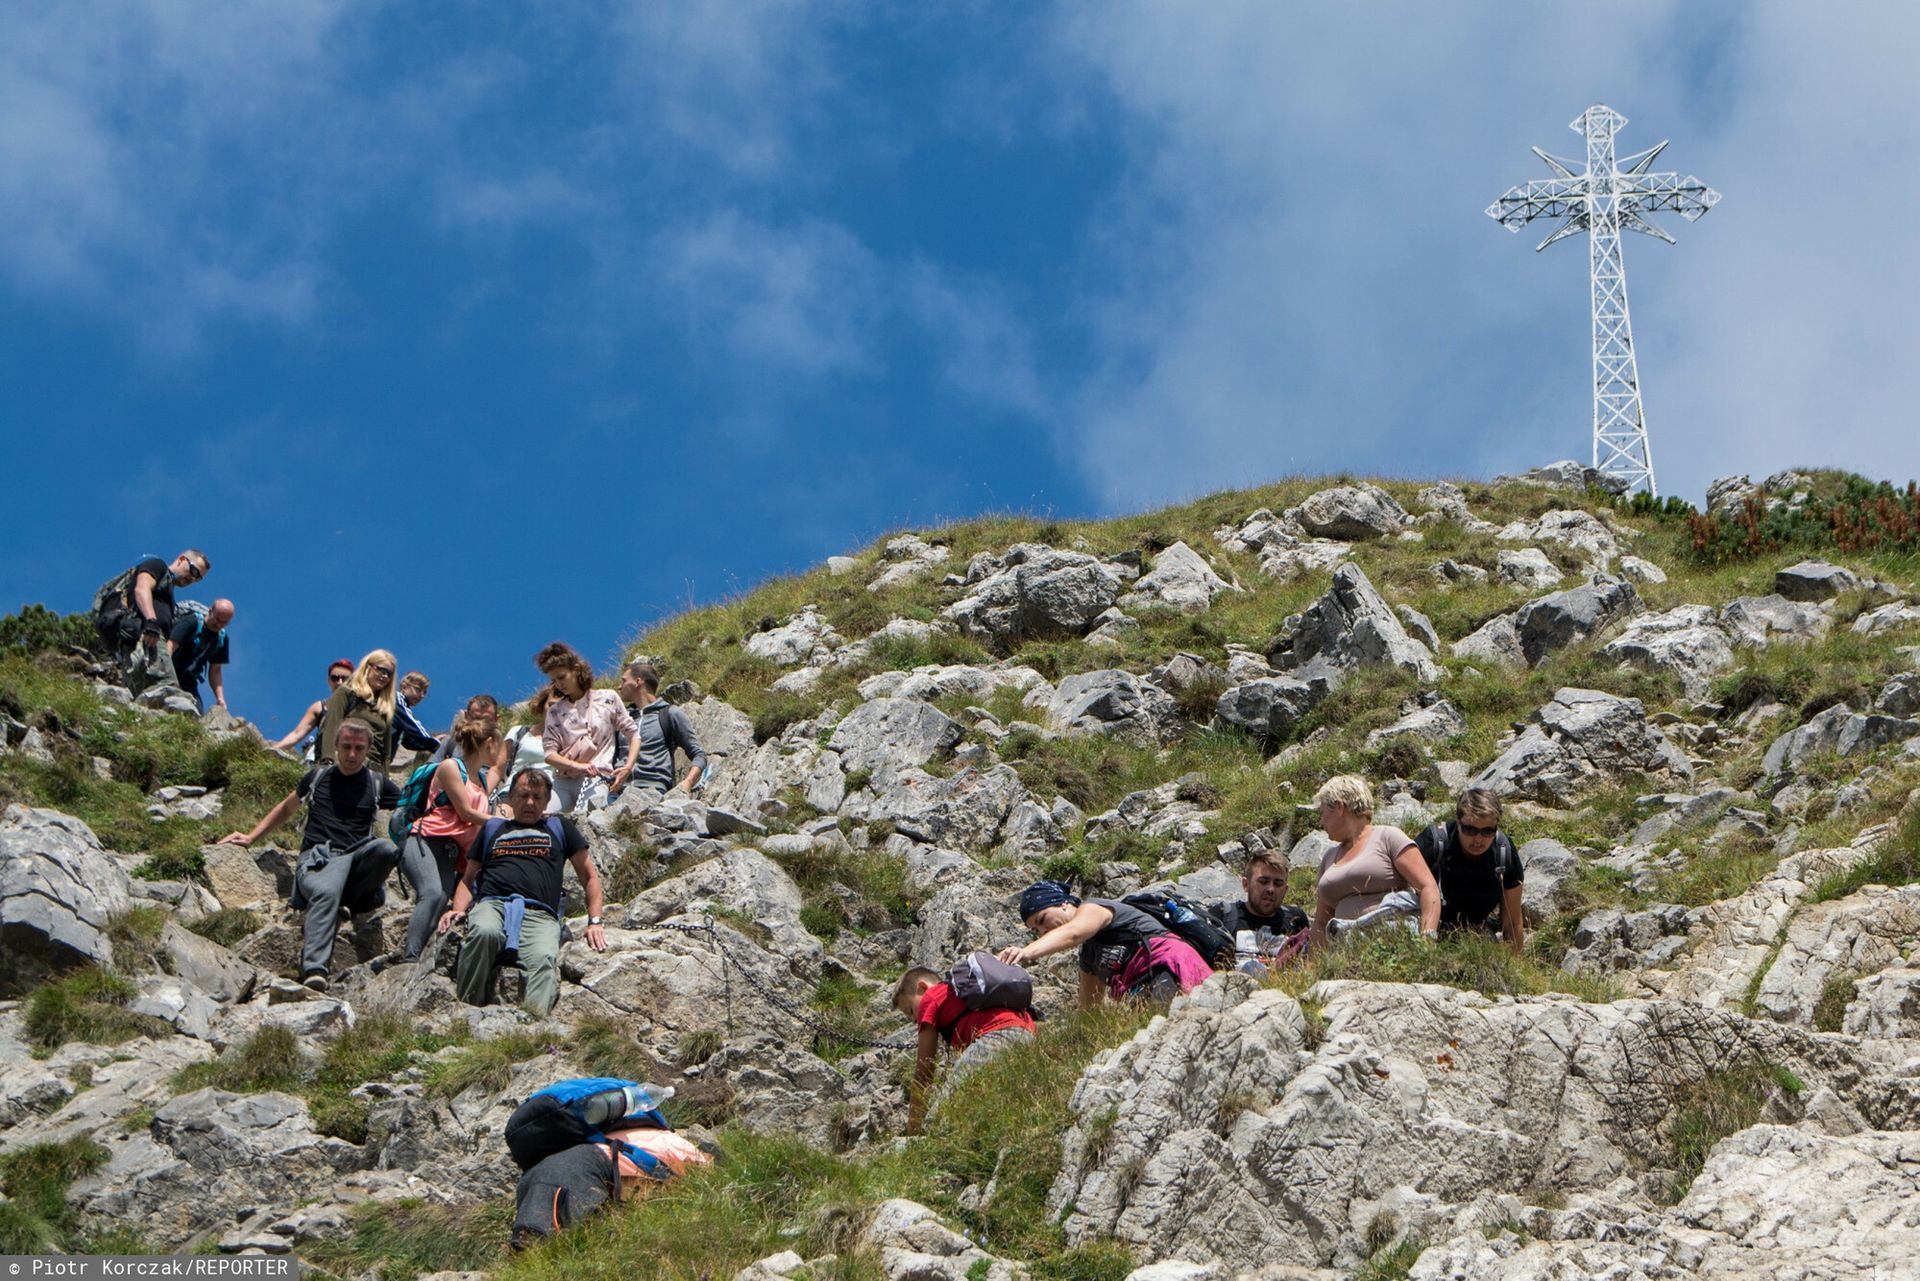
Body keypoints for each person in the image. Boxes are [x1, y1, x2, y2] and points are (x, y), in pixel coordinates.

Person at [218, 718, 402, 992]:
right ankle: (315, 968)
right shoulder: (317, 777)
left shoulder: (378, 784)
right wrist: (251, 836)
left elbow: (411, 809)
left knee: (387, 849)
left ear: (368, 750)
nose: (352, 754)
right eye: (347, 746)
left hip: (356, 858)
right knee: (327, 890)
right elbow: (285, 808)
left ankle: (348, 901)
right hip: (320, 859)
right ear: (336, 746)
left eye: (359, 748)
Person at [441, 768, 608, 1016]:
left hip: (540, 914)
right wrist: (457, 910)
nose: (529, 802)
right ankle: (467, 1011)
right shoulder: (493, 829)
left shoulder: (559, 826)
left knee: (542, 959)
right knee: (484, 933)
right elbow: (468, 879)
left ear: (547, 801)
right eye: (523, 795)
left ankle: (532, 1027)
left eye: (537, 797)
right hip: (493, 905)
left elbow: (590, 877)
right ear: (510, 798)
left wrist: (594, 921)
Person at [380, 712, 501, 971]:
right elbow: (466, 812)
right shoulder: (449, 767)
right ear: (489, 742)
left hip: (450, 851)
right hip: (423, 839)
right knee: (432, 894)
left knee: (442, 898)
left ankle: (422, 956)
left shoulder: (480, 779)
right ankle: (409, 959)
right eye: (498, 746)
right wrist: (502, 823)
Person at [998, 880, 1212, 1008]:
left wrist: (1026, 952)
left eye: (1042, 919)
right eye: (1036, 931)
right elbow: (1089, 1010)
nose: (1043, 931)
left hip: (1174, 967)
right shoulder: (1089, 955)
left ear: (1062, 903)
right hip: (1150, 989)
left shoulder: (1094, 908)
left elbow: (1073, 933)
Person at [892, 966, 1036, 1132]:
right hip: (1028, 1036)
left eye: (910, 1010)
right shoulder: (956, 996)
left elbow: (924, 1070)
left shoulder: (930, 997)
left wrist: (914, 1128)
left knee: (939, 1120)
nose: (914, 1020)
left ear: (922, 987)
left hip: (995, 1041)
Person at [1309, 775, 1441, 948]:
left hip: (1391, 944)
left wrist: (1427, 939)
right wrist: (1313, 969)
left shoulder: (1388, 837)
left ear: (1339, 807)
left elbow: (1427, 887)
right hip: (1344, 951)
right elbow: (1320, 922)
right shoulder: (1328, 857)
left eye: (1322, 812)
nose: (1321, 820)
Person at [1414, 789, 1526, 954]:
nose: (1478, 839)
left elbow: (1512, 922)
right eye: (1470, 830)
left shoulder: (1504, 852)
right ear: (1458, 822)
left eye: (1487, 831)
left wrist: (1515, 968)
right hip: (1425, 935)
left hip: (1475, 936)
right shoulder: (1434, 844)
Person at [536, 643, 640, 815]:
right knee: (544, 818)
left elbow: (633, 734)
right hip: (564, 780)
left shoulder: (608, 698)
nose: (558, 685)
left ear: (576, 669)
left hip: (597, 778)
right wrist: (577, 766)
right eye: (554, 680)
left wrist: (628, 767)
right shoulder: (555, 711)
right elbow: (549, 754)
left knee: (590, 822)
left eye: (562, 677)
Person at [93, 550, 209, 692]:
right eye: (194, 571)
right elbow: (142, 588)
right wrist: (151, 621)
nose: (192, 579)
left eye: (198, 578)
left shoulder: (169, 588)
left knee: (145, 691)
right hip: (148, 635)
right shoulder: (157, 565)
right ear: (182, 559)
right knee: (168, 689)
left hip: (146, 637)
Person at [614, 661, 708, 805]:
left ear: (638, 681)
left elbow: (699, 754)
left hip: (653, 794)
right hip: (616, 793)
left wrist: (687, 784)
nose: (619, 686)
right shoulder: (622, 718)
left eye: (624, 680)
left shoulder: (669, 714)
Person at [318, 650, 400, 766]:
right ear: (367, 667)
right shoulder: (346, 693)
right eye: (381, 670)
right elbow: (331, 727)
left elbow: (386, 751)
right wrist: (328, 760)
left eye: (389, 674)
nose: (385, 676)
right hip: (345, 763)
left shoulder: (385, 707)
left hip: (373, 770)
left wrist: (384, 778)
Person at [271, 659, 355, 758]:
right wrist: (273, 750)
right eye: (335, 678)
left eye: (345, 679)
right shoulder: (320, 707)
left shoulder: (362, 708)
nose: (340, 682)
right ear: (329, 681)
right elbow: (297, 734)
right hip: (326, 761)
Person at [167, 598, 234, 714]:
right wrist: (166, 673)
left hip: (189, 680)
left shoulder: (222, 639)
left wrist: (220, 698)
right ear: (210, 611)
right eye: (217, 619)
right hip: (171, 670)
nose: (218, 624)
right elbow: (171, 645)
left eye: (224, 623)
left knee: (196, 712)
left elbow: (215, 671)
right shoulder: (192, 622)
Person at [388, 671, 444, 766]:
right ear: (404, 687)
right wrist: (439, 746)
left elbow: (408, 741)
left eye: (424, 692)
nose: (422, 695)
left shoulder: (401, 708)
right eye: (418, 690)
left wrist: (427, 744)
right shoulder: (397, 701)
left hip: (383, 761)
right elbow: (414, 728)